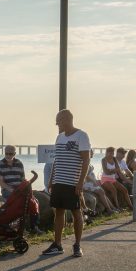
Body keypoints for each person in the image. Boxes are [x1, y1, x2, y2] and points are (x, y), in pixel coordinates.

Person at [42, 110, 91, 257]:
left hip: (72, 182)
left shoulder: (81, 135)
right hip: (58, 181)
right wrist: (51, 180)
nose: (57, 123)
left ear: (67, 119)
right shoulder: (59, 137)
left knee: (76, 212)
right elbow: (56, 160)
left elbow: (86, 160)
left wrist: (80, 182)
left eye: (59, 120)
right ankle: (57, 244)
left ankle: (77, 245)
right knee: (59, 212)